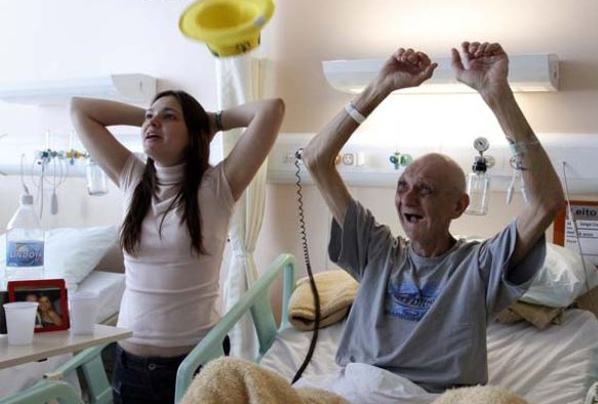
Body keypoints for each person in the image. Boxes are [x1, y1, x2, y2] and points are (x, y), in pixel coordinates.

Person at [299, 41, 565, 396]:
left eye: (424, 190)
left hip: (438, 398)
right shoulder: (377, 250)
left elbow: (547, 202)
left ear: (458, 206)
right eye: (402, 186)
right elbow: (316, 159)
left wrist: (497, 95)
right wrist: (380, 87)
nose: (407, 198)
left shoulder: (479, 266)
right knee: (237, 378)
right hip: (358, 389)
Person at [70, 91, 284, 403]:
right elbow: (80, 108)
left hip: (196, 366)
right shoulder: (132, 178)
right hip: (129, 368)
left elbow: (272, 108)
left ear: (195, 133)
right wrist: (152, 119)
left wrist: (213, 121)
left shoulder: (218, 185)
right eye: (149, 116)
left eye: (169, 116)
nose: (152, 122)